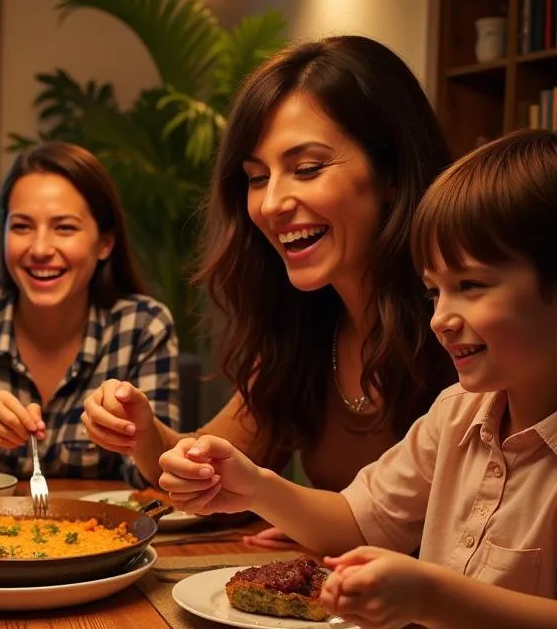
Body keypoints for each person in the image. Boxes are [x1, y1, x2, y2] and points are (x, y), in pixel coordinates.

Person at [158, 129, 557, 629]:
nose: (441, 316)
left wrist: (431, 594)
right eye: (433, 292)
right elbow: (355, 521)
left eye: (470, 285)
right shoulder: (459, 412)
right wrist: (253, 487)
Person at [83, 36, 454, 542]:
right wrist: (143, 431)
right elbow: (212, 469)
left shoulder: (460, 324)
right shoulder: (304, 328)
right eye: (257, 177)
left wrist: (316, 521)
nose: (272, 202)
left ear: (391, 171)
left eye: (307, 168)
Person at [0, 141, 179, 487]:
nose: (40, 249)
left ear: (105, 243)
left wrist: (138, 430)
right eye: (21, 226)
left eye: (64, 227)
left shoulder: (143, 326)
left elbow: (159, 479)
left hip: (103, 534)